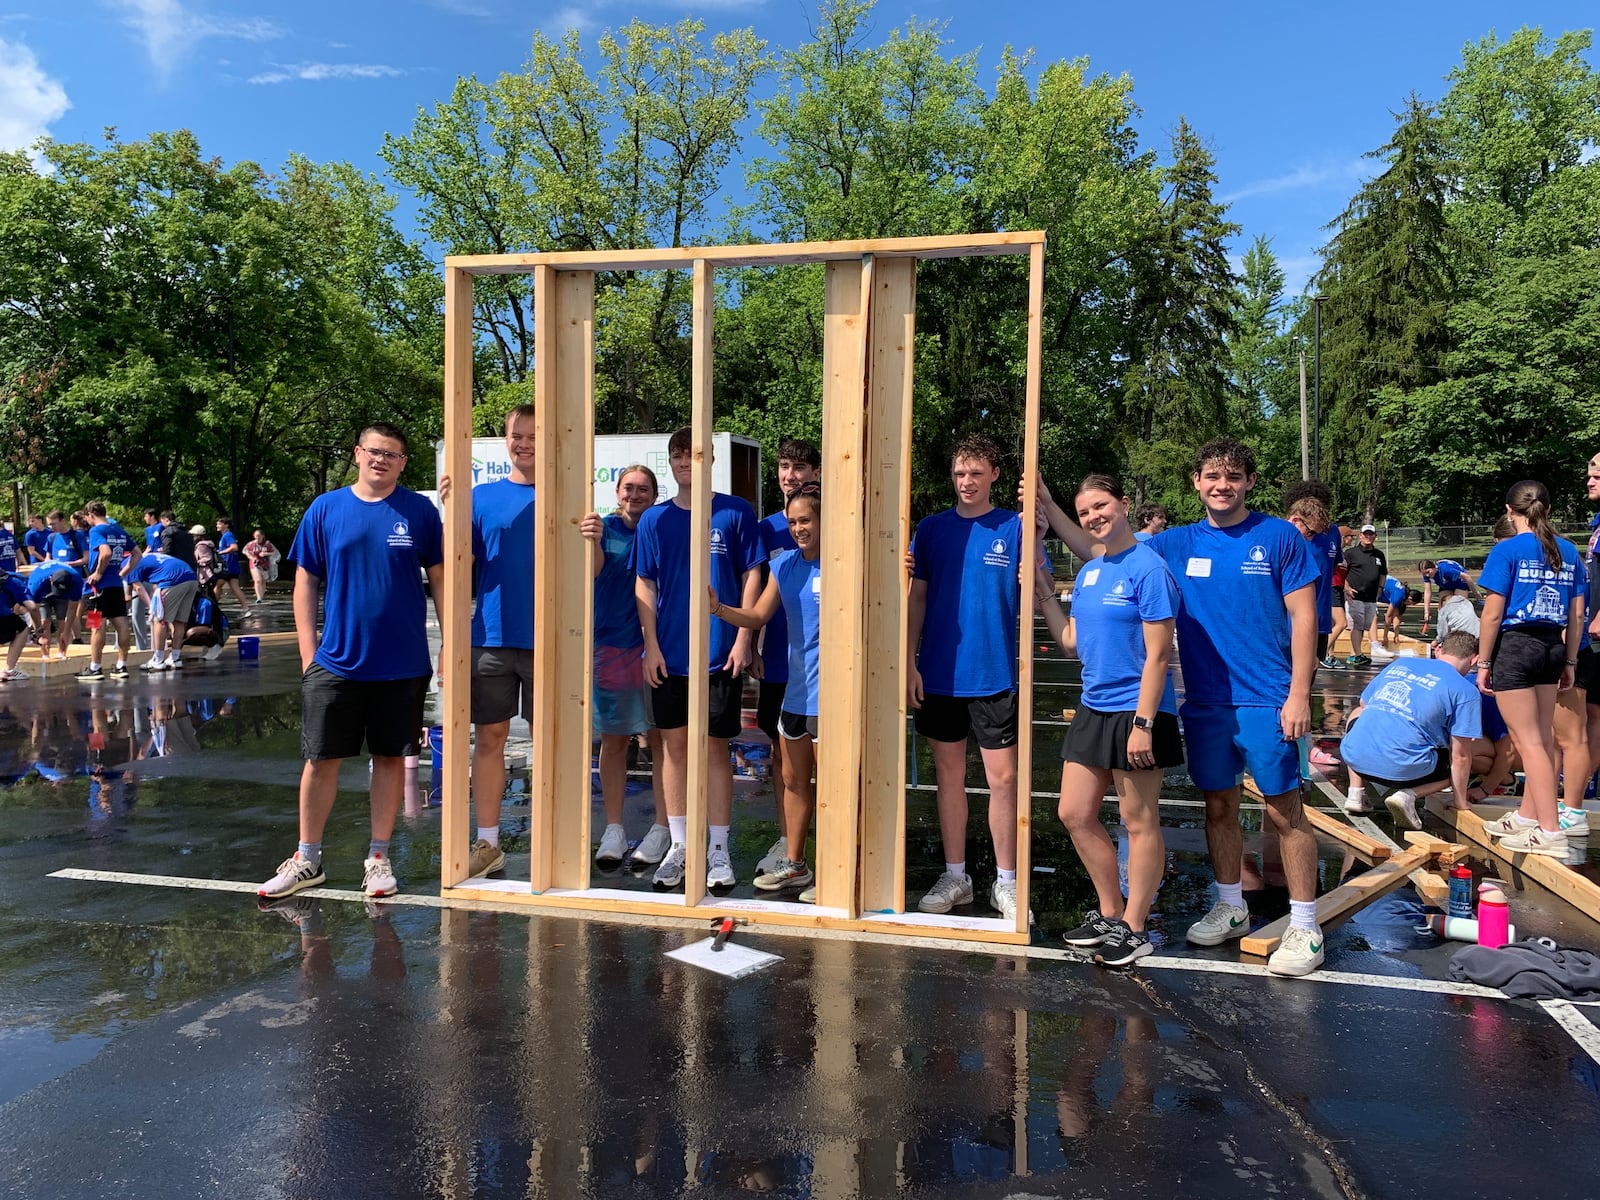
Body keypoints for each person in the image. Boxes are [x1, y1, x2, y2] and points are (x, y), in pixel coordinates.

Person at [1048, 439, 1322, 975]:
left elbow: (1305, 619)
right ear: (1196, 482)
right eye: (1212, 477)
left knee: (1283, 811)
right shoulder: (1171, 544)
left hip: (1267, 698)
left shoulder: (1280, 537)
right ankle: (1229, 905)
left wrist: (1298, 694)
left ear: (1249, 482)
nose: (1223, 486)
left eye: (1234, 477)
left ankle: (1306, 925)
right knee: (1217, 806)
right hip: (1205, 701)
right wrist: (1047, 507)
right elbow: (1099, 546)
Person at [258, 423, 444, 900]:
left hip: (402, 664)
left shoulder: (419, 512)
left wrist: (450, 644)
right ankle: (307, 859)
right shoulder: (326, 509)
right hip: (336, 663)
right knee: (320, 761)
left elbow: (442, 581)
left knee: (388, 760)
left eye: (393, 454)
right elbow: (305, 582)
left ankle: (378, 859)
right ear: (358, 453)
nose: (382, 460)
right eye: (375, 451)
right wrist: (308, 653)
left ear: (404, 463)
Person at [1036, 474, 1180, 967]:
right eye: (1085, 513)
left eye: (1101, 506)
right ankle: (1109, 912)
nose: (1094, 516)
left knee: (1138, 821)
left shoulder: (1149, 569)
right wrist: (1042, 592)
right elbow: (1072, 642)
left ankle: (1136, 927)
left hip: (1138, 711)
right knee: (1073, 813)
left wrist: (1143, 724)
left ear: (1123, 503)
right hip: (1095, 706)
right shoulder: (1093, 570)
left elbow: (1159, 655)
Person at [634, 426, 762, 891]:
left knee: (714, 749)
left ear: (709, 461)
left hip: (717, 653)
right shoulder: (654, 520)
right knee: (672, 749)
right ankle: (681, 846)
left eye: (694, 455)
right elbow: (645, 582)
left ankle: (719, 849)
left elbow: (752, 573)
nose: (685, 462)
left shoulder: (734, 511)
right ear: (671, 463)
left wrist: (744, 637)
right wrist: (649, 644)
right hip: (669, 655)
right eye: (678, 455)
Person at [908, 434, 1028, 921]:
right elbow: (917, 596)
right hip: (939, 673)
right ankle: (956, 874)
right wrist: (909, 660)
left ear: (994, 475)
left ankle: (1007, 882)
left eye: (976, 473)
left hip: (994, 673)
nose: (967, 482)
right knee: (948, 777)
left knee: (1004, 780)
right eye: (960, 473)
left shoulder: (1014, 527)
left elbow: (1034, 586)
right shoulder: (932, 529)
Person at [717, 483, 825, 902]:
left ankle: (838, 873)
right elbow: (759, 614)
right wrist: (718, 608)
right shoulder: (784, 567)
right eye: (794, 521)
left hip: (830, 700)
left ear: (823, 520)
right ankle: (796, 865)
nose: (799, 528)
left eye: (807, 520)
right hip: (795, 694)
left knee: (832, 790)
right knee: (793, 782)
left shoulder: (844, 564)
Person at [442, 406, 536, 881]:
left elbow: (594, 572)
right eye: (516, 436)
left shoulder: (565, 494)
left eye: (534, 436)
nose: (524, 444)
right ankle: (490, 843)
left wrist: (594, 540)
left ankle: (559, 843)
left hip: (550, 640)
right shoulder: (481, 498)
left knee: (556, 744)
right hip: (492, 637)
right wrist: (450, 513)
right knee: (491, 739)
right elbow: (458, 564)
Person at [1476, 480, 1586, 857]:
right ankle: (1527, 815)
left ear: (1510, 511)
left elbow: (1492, 614)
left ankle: (1550, 829)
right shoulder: (1569, 551)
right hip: (1552, 646)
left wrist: (1484, 661)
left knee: (1530, 742)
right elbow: (1576, 614)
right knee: (1541, 737)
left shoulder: (1507, 550)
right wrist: (1570, 660)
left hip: (1517, 647)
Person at [580, 465, 669, 869]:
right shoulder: (603, 529)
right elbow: (593, 571)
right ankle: (614, 827)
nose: (634, 495)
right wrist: (593, 539)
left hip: (656, 648)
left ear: (654, 493)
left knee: (662, 742)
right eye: (628, 488)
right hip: (611, 646)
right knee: (614, 741)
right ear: (617, 492)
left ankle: (664, 827)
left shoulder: (659, 527)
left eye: (643, 489)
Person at [752, 438, 822, 880]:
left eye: (799, 466)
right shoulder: (766, 529)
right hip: (781, 664)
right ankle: (788, 845)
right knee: (784, 761)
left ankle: (829, 855)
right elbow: (756, 598)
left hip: (824, 676)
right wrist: (748, 642)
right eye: (783, 465)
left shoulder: (836, 531)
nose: (790, 474)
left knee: (826, 770)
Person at [1340, 631, 1482, 828]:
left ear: (1439, 650)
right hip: (1406, 772)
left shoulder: (1401, 664)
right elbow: (1461, 757)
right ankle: (1409, 795)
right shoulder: (1465, 691)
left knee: (1357, 713)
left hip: (1355, 758)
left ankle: (1355, 792)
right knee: (1463, 760)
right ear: (1474, 659)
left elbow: (1365, 703)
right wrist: (1460, 801)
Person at [1285, 482, 1342, 671]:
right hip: (1289, 621)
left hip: (1321, 619)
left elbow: (1331, 568)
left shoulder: (1333, 532)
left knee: (1310, 677)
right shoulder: (1287, 534)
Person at [77, 500, 138, 680]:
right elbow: (137, 553)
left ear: (90, 515)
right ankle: (121, 666)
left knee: (96, 625)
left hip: (98, 587)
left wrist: (98, 572)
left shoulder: (96, 530)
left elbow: (105, 553)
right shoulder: (118, 530)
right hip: (116, 585)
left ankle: (95, 667)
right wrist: (123, 572)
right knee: (121, 624)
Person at [124, 548, 199, 671]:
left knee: (159, 619)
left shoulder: (130, 564)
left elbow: (138, 589)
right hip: (191, 577)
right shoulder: (148, 556)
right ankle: (175, 657)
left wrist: (152, 607)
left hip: (172, 580)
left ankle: (158, 660)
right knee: (179, 621)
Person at [1343, 522, 1387, 667]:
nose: (1368, 536)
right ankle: (1356, 654)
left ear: (1375, 536)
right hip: (1355, 596)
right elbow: (1339, 572)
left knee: (1363, 626)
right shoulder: (1351, 554)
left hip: (1371, 597)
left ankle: (1354, 653)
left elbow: (1383, 573)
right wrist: (1346, 587)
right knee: (1356, 625)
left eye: (1371, 534)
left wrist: (1380, 588)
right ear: (1360, 536)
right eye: (1365, 534)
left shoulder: (1379, 555)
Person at [24, 561, 84, 660]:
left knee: (63, 623)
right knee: (44, 622)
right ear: (51, 580)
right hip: (43, 594)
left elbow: (72, 608)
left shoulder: (76, 581)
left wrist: (67, 631)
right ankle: (45, 654)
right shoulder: (36, 584)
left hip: (64, 595)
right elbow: (34, 610)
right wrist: (38, 632)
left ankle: (62, 652)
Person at [1, 571, 42, 681]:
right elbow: (32, 607)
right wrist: (39, 628)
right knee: (23, 628)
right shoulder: (16, 582)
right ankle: (9, 670)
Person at [1418, 559, 1478, 636]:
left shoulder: (1446, 570)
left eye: (1428, 572)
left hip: (1459, 582)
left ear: (1433, 567)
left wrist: (1476, 594)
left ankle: (1460, 633)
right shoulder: (1427, 574)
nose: (1427, 575)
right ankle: (1444, 636)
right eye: (1424, 574)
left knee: (1458, 609)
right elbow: (1427, 591)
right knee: (1442, 611)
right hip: (1445, 584)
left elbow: (1467, 577)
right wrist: (1426, 612)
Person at [213, 518, 252, 617]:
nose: (217, 526)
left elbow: (234, 547)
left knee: (217, 586)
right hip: (231, 566)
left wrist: (220, 552)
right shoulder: (226, 536)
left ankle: (213, 608)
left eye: (219, 524)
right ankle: (246, 609)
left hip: (227, 566)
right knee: (235, 588)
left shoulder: (228, 535)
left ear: (226, 525)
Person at [244, 529, 277, 605]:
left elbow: (274, 552)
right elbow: (246, 552)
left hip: (265, 564)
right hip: (255, 564)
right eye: (255, 536)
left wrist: (265, 553)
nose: (257, 537)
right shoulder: (251, 544)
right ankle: (258, 597)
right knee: (258, 580)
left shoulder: (268, 544)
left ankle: (261, 597)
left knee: (263, 580)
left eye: (258, 536)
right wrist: (252, 558)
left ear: (263, 536)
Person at [1378, 575, 1409, 649]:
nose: (1409, 605)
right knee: (1374, 616)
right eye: (1411, 604)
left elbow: (1396, 616)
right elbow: (1388, 616)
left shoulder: (1402, 594)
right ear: (1410, 599)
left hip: (1382, 585)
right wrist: (1385, 637)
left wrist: (1396, 635)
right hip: (1375, 585)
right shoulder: (1398, 596)